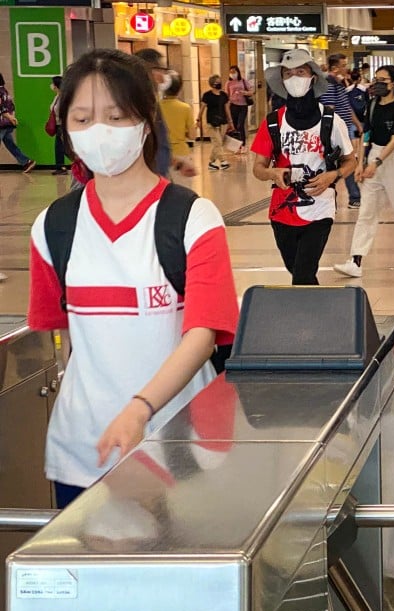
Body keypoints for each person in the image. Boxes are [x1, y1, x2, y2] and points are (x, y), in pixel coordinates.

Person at [28, 49, 239, 509]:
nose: (98, 131)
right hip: (85, 450)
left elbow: (203, 334)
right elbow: (63, 332)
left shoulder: (192, 218)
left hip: (183, 448)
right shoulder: (53, 226)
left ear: (145, 120)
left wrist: (140, 408)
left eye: (115, 116)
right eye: (82, 118)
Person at [251, 49, 357, 285]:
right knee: (298, 273)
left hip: (320, 207)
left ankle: (307, 309)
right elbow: (258, 168)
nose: (294, 78)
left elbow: (351, 161)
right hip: (282, 210)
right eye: (288, 74)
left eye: (300, 72)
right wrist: (271, 172)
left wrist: (333, 175)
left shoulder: (331, 120)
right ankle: (317, 306)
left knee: (302, 274)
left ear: (313, 78)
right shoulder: (273, 122)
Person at [333, 65, 394, 280]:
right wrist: (361, 161)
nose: (378, 84)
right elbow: (366, 134)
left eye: (383, 80)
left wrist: (376, 163)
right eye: (376, 79)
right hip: (374, 156)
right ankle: (356, 260)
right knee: (367, 211)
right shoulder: (372, 104)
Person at [135, 49, 197, 179]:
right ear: (148, 70)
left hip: (160, 177)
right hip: (147, 181)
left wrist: (178, 163)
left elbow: (157, 148)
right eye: (162, 70)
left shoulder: (154, 105)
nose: (164, 77)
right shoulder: (135, 108)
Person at [321, 53, 363, 209]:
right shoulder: (329, 84)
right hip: (335, 132)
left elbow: (346, 107)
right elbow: (329, 109)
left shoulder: (339, 83)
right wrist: (332, 131)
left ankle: (353, 197)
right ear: (335, 68)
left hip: (344, 130)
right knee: (345, 162)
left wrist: (357, 124)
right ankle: (353, 196)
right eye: (344, 65)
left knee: (347, 161)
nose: (347, 68)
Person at [0, 73, 36, 173]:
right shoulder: (4, 91)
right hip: (7, 124)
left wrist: (8, 116)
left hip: (2, 123)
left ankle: (26, 161)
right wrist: (11, 117)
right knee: (10, 144)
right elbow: (11, 106)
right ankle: (26, 162)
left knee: (10, 144)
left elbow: (1, 107)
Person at [159, 74, 196, 163]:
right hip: (181, 153)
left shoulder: (156, 107)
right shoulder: (185, 108)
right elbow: (192, 136)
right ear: (179, 89)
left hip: (161, 152)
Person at [199, 74, 233, 171]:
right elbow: (202, 108)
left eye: (220, 82)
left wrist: (230, 121)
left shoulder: (224, 95)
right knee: (217, 142)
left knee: (218, 143)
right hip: (211, 122)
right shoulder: (207, 95)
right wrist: (198, 119)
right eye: (217, 82)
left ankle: (212, 163)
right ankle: (223, 161)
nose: (219, 84)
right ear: (212, 84)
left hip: (223, 122)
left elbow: (227, 109)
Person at [226, 65, 254, 151]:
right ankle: (236, 145)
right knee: (234, 126)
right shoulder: (228, 83)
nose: (232, 74)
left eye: (234, 72)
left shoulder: (243, 81)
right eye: (231, 72)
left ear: (238, 72)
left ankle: (243, 144)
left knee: (240, 125)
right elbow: (227, 95)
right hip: (233, 105)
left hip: (243, 106)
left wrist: (245, 92)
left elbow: (251, 91)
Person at [50, 76, 69, 175]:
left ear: (56, 86)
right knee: (59, 148)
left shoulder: (64, 98)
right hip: (58, 124)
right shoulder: (57, 96)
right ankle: (60, 167)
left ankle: (81, 163)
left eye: (52, 83)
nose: (51, 85)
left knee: (63, 148)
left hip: (62, 125)